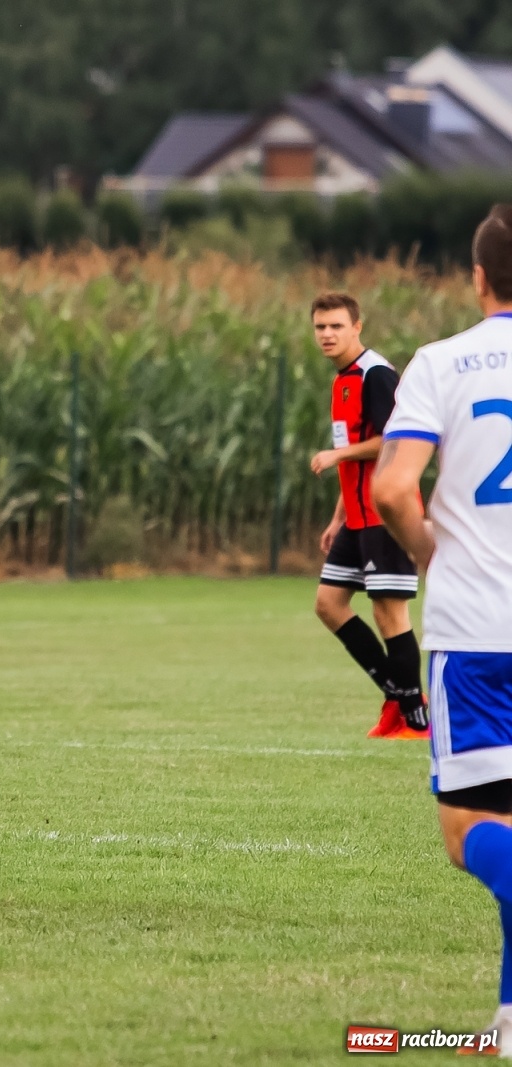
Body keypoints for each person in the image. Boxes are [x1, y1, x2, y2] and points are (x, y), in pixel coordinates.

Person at [373, 203, 512, 1045]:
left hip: (477, 629)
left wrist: (430, 551)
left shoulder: (443, 361)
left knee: (469, 834)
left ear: (477, 277)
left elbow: (394, 488)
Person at [308, 292, 427, 739]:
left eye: (336, 326)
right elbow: (357, 458)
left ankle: (415, 719)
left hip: (385, 514)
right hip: (356, 516)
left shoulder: (375, 374)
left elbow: (393, 441)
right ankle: (399, 696)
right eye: (320, 327)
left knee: (389, 613)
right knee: (328, 604)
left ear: (357, 327)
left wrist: (337, 455)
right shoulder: (343, 379)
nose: (327, 334)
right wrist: (338, 517)